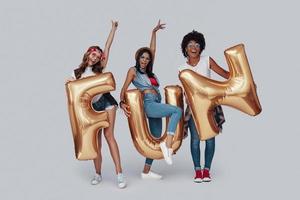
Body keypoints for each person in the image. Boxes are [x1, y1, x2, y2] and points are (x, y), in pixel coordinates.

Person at [66, 21, 126, 188]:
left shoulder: (99, 69)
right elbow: (71, 91)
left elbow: (108, 46)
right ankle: (98, 173)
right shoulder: (76, 73)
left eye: (98, 56)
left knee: (109, 136)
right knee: (96, 143)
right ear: (87, 54)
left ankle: (119, 174)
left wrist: (113, 29)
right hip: (90, 109)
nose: (96, 57)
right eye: (94, 54)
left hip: (106, 103)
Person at [120, 20, 182, 180]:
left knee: (154, 140)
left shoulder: (150, 73)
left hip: (156, 102)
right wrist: (122, 103)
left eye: (147, 58)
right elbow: (123, 88)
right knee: (177, 111)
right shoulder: (133, 71)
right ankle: (168, 145)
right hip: (148, 104)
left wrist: (154, 33)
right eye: (142, 57)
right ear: (138, 57)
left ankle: (146, 171)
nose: (145, 60)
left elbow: (152, 50)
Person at [179, 30, 229, 183]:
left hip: (210, 106)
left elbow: (226, 75)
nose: (194, 47)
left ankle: (207, 170)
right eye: (190, 45)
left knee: (210, 139)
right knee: (195, 139)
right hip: (194, 108)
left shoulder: (207, 60)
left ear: (201, 48)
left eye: (197, 44)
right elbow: (185, 92)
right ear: (185, 49)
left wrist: (243, 78)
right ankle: (197, 171)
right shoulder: (182, 68)